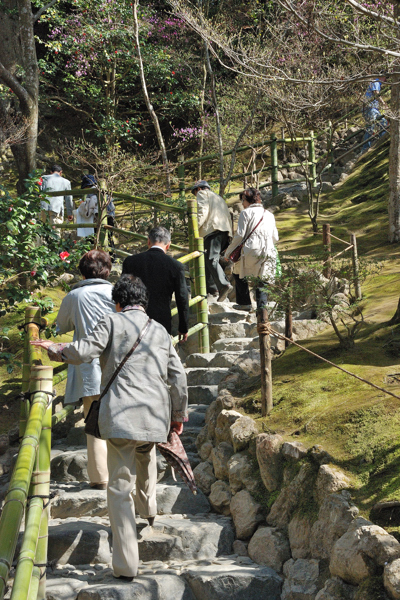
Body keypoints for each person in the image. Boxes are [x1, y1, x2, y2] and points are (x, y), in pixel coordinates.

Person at [31, 274, 188, 581]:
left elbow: (84, 350)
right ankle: (149, 507)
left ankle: (127, 563)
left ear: (118, 302)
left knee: (119, 487)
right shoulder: (159, 331)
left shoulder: (111, 322)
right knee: (146, 456)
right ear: (144, 302)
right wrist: (178, 415)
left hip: (120, 414)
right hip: (154, 415)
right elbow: (178, 377)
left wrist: (55, 349)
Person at [56, 250, 115, 490]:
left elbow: (61, 326)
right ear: (107, 270)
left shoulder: (74, 295)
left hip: (88, 366)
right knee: (118, 419)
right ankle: (122, 473)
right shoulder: (115, 292)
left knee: (93, 421)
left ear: (82, 271)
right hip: (117, 363)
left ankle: (100, 477)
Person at [122, 226, 189, 342]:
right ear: (168, 245)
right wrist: (183, 327)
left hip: (133, 320)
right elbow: (182, 298)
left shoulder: (130, 262)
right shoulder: (176, 266)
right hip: (161, 321)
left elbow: (122, 292)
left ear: (148, 241)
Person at [224, 187, 279, 311]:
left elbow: (240, 235)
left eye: (242, 201)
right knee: (263, 279)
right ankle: (262, 309)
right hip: (269, 249)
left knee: (238, 272)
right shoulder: (269, 214)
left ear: (245, 199)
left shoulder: (245, 213)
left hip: (251, 249)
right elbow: (275, 237)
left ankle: (244, 303)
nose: (242, 204)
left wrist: (228, 252)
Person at [192, 180, 233, 302]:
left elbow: (202, 212)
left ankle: (223, 285)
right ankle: (212, 289)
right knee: (207, 259)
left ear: (199, 189)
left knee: (211, 259)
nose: (195, 196)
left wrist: (194, 230)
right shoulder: (219, 198)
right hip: (224, 231)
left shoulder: (202, 194)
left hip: (213, 230)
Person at [41, 165, 73, 229]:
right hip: (56, 208)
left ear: (51, 172)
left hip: (43, 207)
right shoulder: (66, 182)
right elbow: (68, 198)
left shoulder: (43, 178)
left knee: (41, 229)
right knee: (55, 230)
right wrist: (70, 212)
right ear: (60, 172)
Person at [362, 75, 389, 152]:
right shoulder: (376, 82)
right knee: (371, 126)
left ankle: (382, 139)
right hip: (370, 108)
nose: (386, 80)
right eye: (386, 78)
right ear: (382, 77)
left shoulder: (376, 82)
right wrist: (384, 104)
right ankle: (365, 147)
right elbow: (376, 93)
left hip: (372, 108)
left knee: (382, 122)